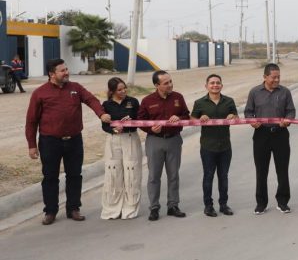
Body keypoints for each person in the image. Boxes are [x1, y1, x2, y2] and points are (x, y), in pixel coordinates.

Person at [25, 58, 111, 225]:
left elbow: (91, 99)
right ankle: (50, 211)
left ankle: (73, 208)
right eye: (62, 70)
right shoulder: (40, 93)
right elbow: (31, 121)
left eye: (66, 69)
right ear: (52, 74)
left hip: (74, 140)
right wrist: (31, 145)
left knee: (74, 175)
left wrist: (101, 113)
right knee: (50, 177)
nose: (66, 72)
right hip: (50, 141)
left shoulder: (75, 88)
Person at [139, 70, 191, 221]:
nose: (170, 85)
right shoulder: (147, 100)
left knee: (173, 175)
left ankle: (173, 205)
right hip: (155, 141)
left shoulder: (178, 97)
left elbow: (186, 115)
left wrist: (179, 117)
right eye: (166, 83)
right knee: (154, 176)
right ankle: (154, 207)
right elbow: (140, 121)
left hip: (174, 140)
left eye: (170, 81)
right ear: (157, 85)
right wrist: (150, 128)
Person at [245, 63, 296, 215]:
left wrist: (288, 120)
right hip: (261, 134)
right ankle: (261, 203)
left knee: (282, 170)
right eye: (273, 77)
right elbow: (248, 112)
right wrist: (252, 122)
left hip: (280, 134)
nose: (276, 80)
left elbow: (291, 111)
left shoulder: (285, 92)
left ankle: (283, 201)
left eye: (278, 77)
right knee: (261, 170)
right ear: (265, 77)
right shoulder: (254, 92)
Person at [191, 74, 238, 217]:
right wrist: (200, 119)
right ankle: (208, 206)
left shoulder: (229, 101)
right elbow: (192, 119)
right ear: (206, 86)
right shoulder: (199, 103)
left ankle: (223, 205)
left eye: (218, 83)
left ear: (221, 85)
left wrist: (233, 117)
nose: (215, 85)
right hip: (208, 146)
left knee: (223, 176)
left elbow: (236, 118)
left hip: (225, 146)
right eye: (212, 83)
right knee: (208, 176)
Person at [100, 77, 143, 220]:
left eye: (124, 88)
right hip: (113, 140)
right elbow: (105, 125)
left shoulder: (133, 102)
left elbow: (140, 120)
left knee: (132, 172)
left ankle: (130, 208)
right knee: (114, 173)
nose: (123, 91)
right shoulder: (106, 104)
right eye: (119, 89)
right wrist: (114, 130)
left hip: (130, 138)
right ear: (112, 91)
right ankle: (112, 209)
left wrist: (131, 123)